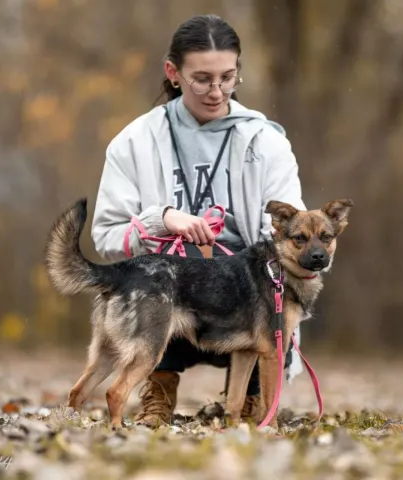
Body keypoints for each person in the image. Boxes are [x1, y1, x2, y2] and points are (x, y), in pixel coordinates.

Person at [90, 14, 305, 427]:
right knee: (159, 278)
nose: (217, 91)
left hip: (245, 302)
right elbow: (106, 236)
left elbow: (290, 231)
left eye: (228, 77)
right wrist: (160, 220)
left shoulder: (266, 141)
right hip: (171, 306)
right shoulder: (135, 142)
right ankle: (158, 388)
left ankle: (248, 401)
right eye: (202, 79)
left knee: (268, 300)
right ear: (173, 73)